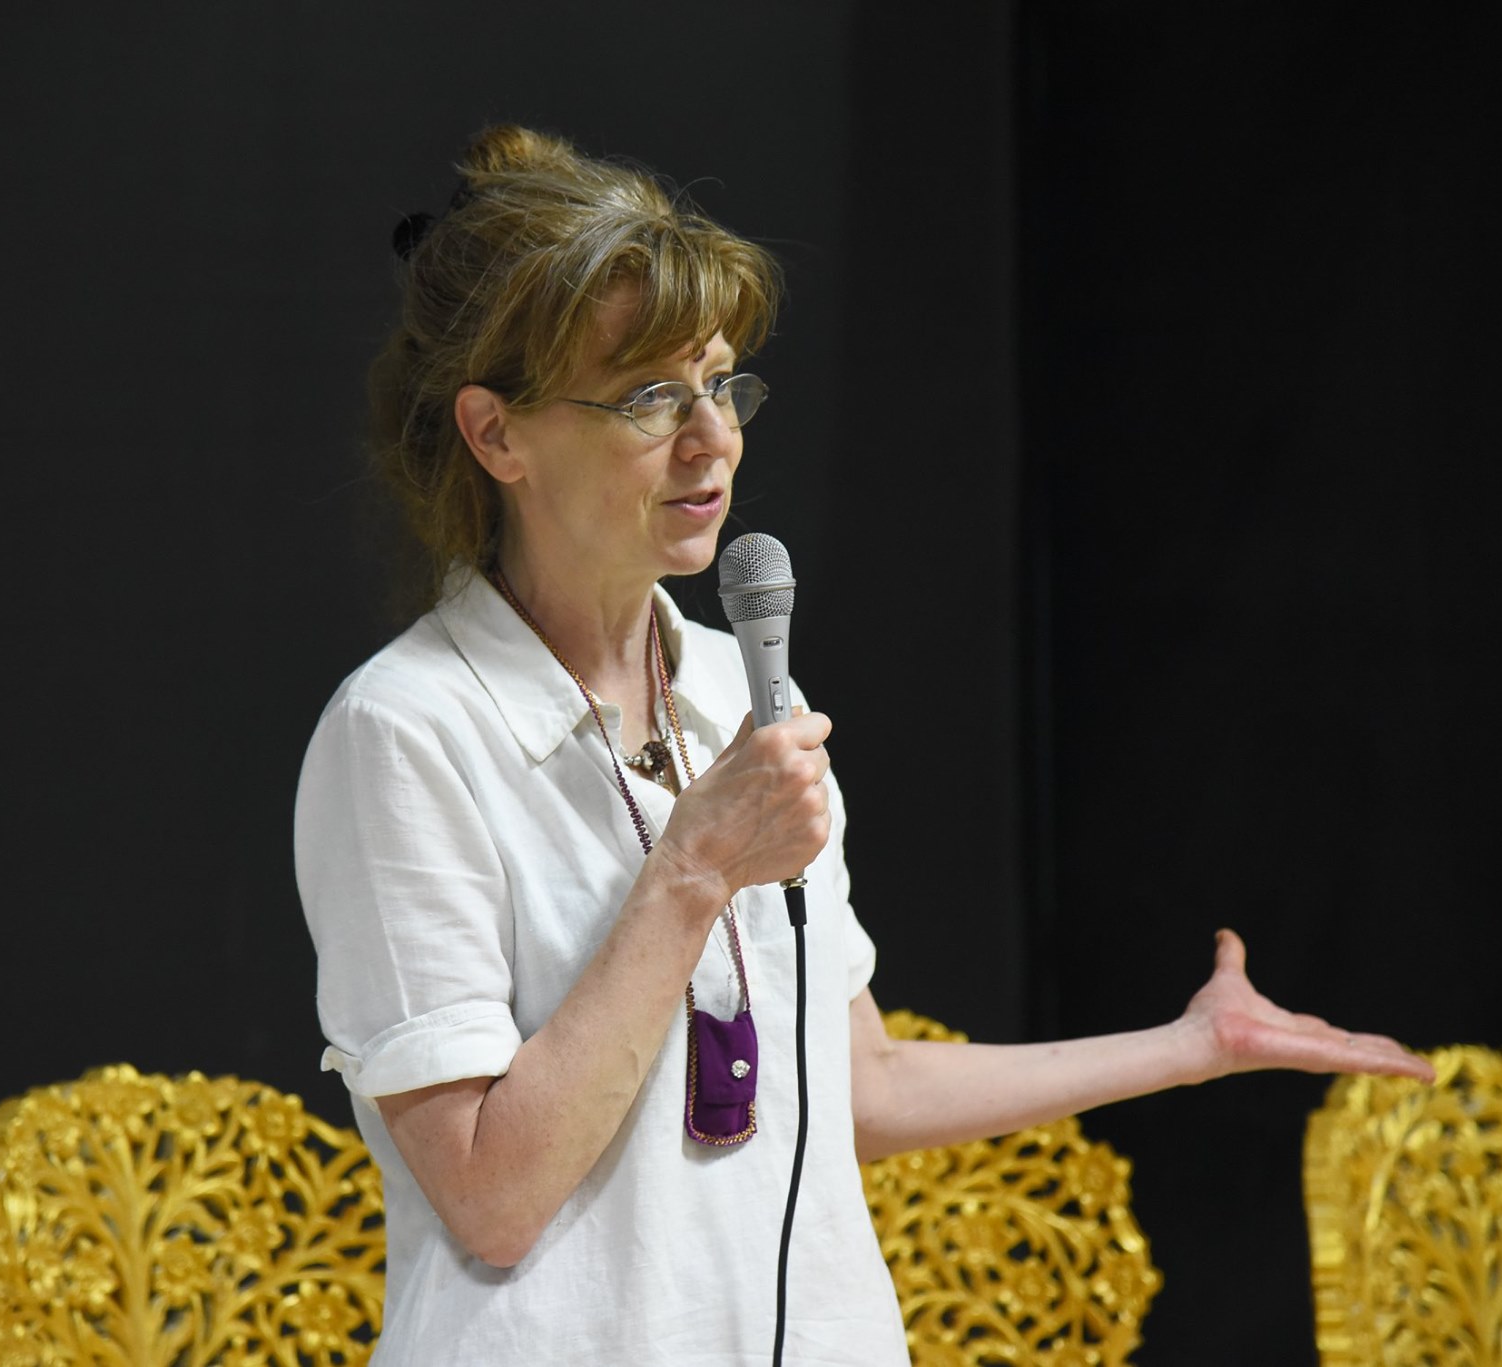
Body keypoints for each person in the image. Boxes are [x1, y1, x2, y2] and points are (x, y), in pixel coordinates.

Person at [294, 125, 1435, 1366]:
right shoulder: (405, 730)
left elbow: (860, 1083)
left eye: (720, 382)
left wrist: (1186, 1045)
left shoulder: (735, 685)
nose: (711, 437)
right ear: (494, 433)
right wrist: (689, 873)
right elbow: (491, 1192)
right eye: (648, 397)